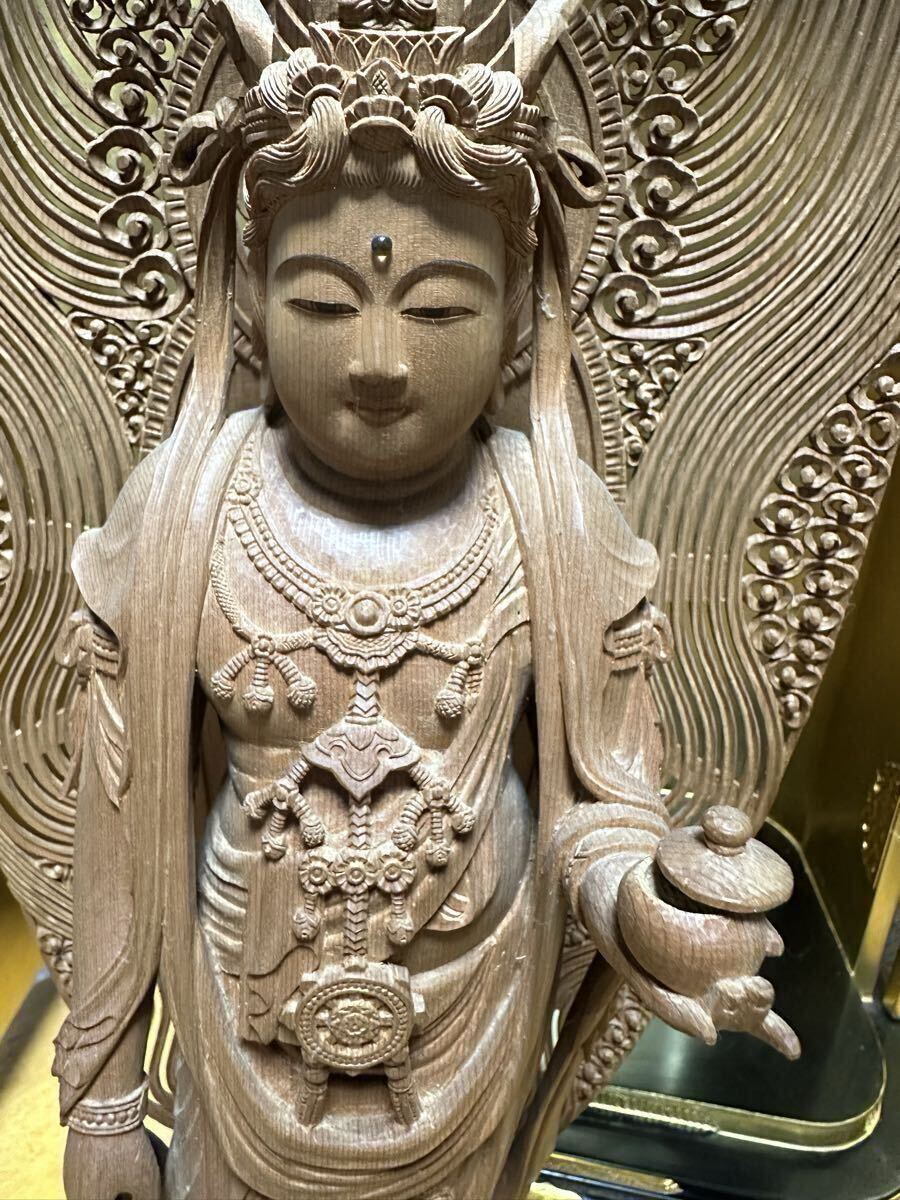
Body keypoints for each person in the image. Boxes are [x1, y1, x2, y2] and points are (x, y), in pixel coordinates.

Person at [54, 4, 797, 1198]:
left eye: (441, 308)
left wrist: (644, 907)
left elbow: (600, 801)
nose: (380, 362)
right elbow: (122, 819)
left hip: (471, 1036)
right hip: (243, 1022)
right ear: (250, 304)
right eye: (323, 302)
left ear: (516, 324)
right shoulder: (187, 509)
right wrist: (101, 1103)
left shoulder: (553, 522)